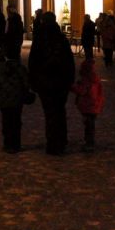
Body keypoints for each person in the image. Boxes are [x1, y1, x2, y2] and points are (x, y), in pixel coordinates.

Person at [28, 12, 76, 155]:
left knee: (50, 113)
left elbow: (33, 62)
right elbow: (69, 62)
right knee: (60, 110)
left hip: (45, 82)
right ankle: (61, 140)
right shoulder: (61, 39)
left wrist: (33, 81)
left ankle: (53, 143)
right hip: (61, 82)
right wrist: (70, 80)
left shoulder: (40, 39)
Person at [0, 49, 31, 153]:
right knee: (16, 121)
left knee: (6, 120)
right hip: (17, 98)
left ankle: (7, 143)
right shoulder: (21, 68)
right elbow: (26, 83)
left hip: (3, 99)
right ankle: (16, 144)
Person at [71, 58, 104, 149]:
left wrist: (72, 87)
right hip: (94, 106)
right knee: (90, 124)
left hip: (88, 106)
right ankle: (89, 141)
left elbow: (82, 91)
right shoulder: (95, 79)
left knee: (89, 125)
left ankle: (89, 142)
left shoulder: (87, 81)